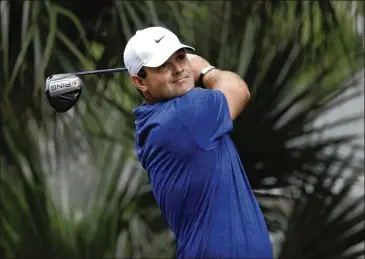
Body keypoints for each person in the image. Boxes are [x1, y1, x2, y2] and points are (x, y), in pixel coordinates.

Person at [123, 26, 273, 259]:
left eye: (180, 57)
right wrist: (204, 69)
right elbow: (238, 90)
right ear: (140, 82)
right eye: (163, 65)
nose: (178, 69)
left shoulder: (154, 119)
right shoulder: (188, 113)